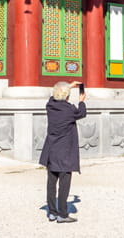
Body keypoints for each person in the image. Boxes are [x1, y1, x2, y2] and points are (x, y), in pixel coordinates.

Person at [39, 80, 87, 222]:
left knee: (51, 183)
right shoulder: (69, 109)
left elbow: (52, 97)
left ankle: (52, 212)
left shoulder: (50, 106)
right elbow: (82, 113)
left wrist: (67, 86)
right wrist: (82, 101)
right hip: (65, 152)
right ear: (67, 96)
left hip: (51, 151)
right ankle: (62, 214)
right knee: (64, 185)